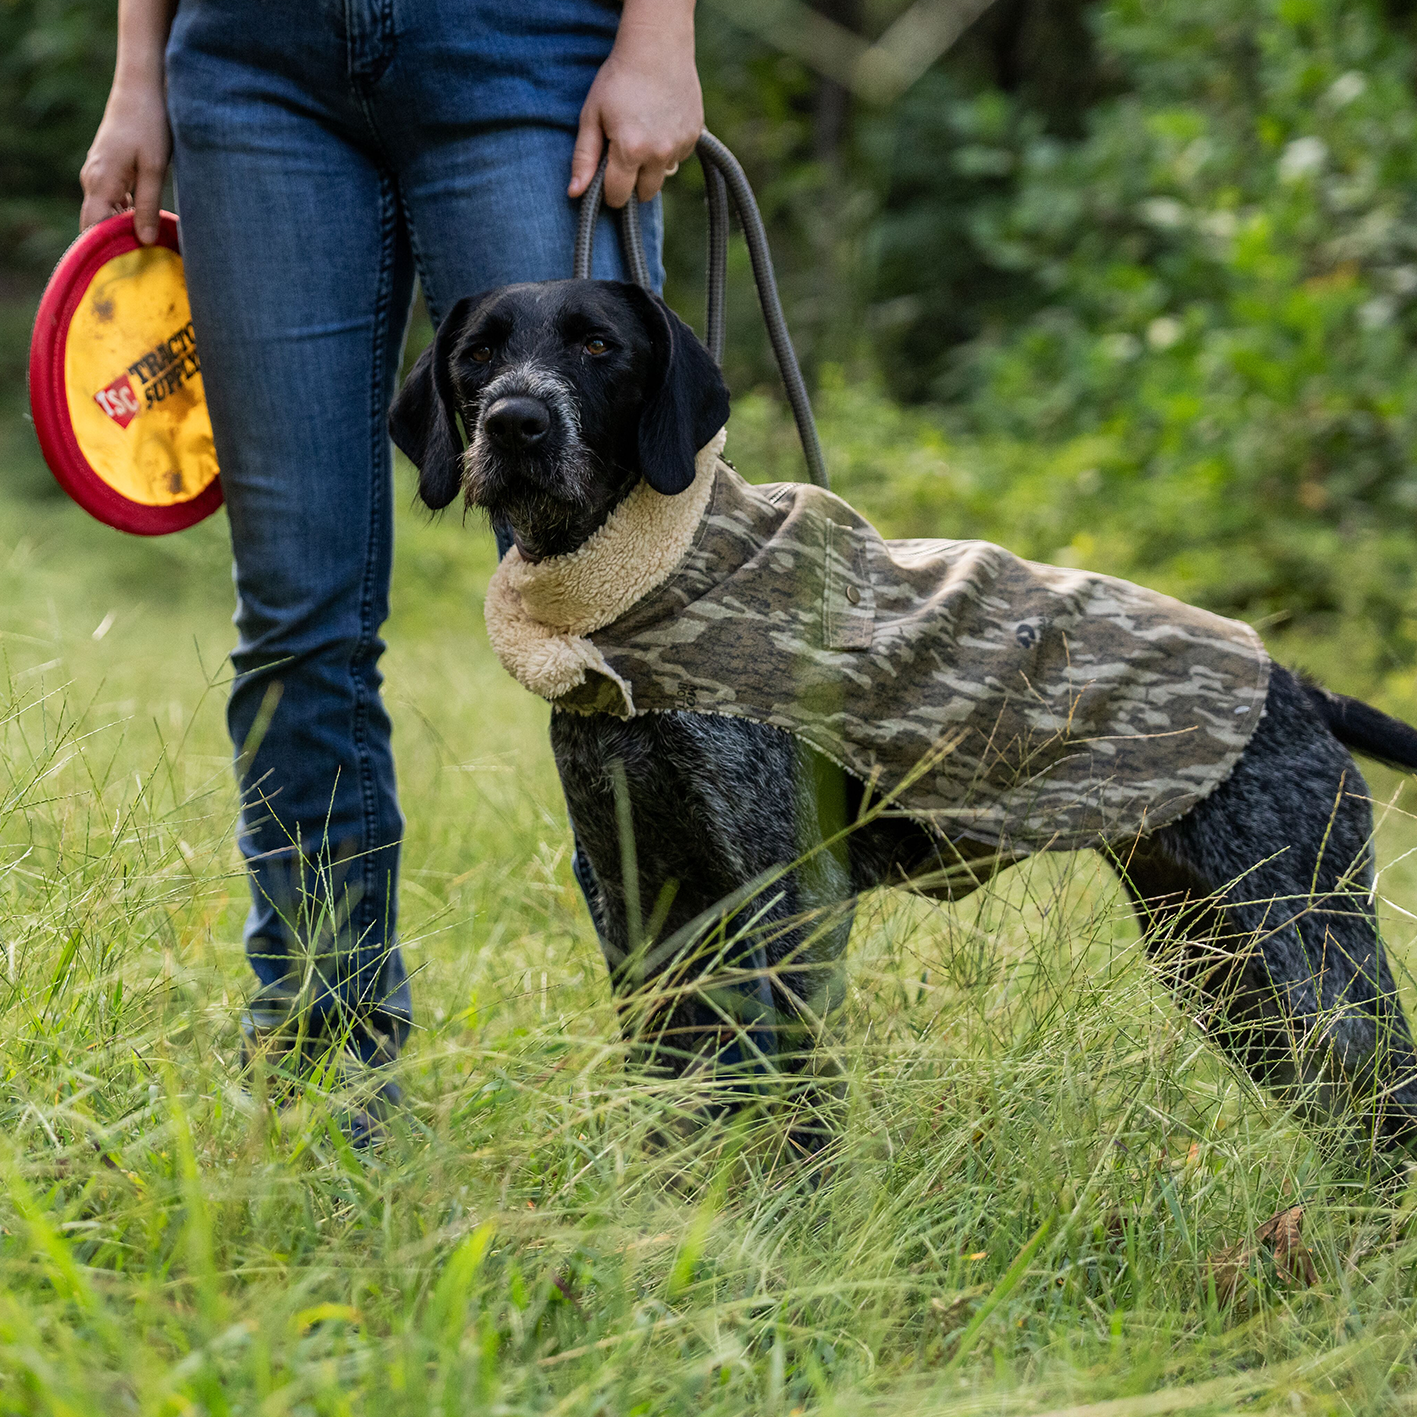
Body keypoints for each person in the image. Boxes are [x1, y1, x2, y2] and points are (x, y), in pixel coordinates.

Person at [79, 0, 703, 1117]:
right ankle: (325, 1070)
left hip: (523, 47)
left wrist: (659, 35)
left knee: (625, 597)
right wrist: (138, 71)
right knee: (296, 617)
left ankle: (711, 1074)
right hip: (249, 65)